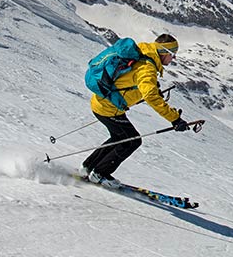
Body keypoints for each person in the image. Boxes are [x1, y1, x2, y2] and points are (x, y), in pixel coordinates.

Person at [80, 34, 189, 187]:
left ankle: (88, 167)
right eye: (172, 55)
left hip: (102, 103)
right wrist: (175, 119)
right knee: (132, 140)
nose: (173, 59)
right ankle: (99, 173)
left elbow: (130, 80)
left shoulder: (144, 51)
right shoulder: (147, 68)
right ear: (164, 52)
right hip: (108, 108)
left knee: (120, 137)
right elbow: (151, 95)